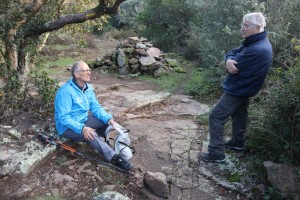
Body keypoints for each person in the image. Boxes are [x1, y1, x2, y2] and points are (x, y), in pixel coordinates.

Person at [200, 12, 272, 163]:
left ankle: (216, 154)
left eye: (246, 26)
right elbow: (232, 53)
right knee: (240, 114)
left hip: (238, 89)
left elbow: (234, 67)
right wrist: (228, 60)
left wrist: (229, 62)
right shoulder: (254, 42)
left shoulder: (257, 49)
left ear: (258, 27)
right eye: (242, 25)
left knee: (216, 116)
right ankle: (238, 143)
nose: (242, 28)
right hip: (246, 88)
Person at [54, 60, 133, 171]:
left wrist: (109, 119)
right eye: (85, 70)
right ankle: (115, 158)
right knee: (91, 135)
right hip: (67, 127)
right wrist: (82, 128)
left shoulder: (88, 88)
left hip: (84, 119)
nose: (89, 73)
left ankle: (109, 143)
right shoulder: (65, 92)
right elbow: (64, 118)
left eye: (89, 70)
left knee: (106, 122)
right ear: (76, 74)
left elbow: (95, 107)